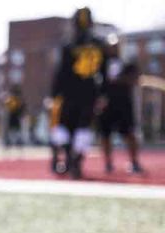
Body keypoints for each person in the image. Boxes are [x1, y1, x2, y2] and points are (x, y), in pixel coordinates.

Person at [50, 7, 108, 179]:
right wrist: (103, 94)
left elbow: (61, 72)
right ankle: (76, 161)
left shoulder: (69, 44)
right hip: (90, 92)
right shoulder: (99, 43)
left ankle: (69, 159)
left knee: (65, 129)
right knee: (83, 128)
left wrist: (54, 94)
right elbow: (103, 73)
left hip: (70, 93)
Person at [98, 63, 144, 174]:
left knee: (129, 134)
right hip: (107, 105)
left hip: (124, 105)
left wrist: (121, 79)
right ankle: (108, 163)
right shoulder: (101, 63)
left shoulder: (127, 63)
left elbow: (135, 79)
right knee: (105, 135)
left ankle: (134, 162)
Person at [3, 86, 26, 157]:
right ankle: (9, 150)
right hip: (13, 120)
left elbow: (22, 109)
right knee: (12, 136)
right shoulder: (12, 100)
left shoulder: (16, 100)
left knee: (17, 136)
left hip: (15, 120)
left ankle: (18, 150)